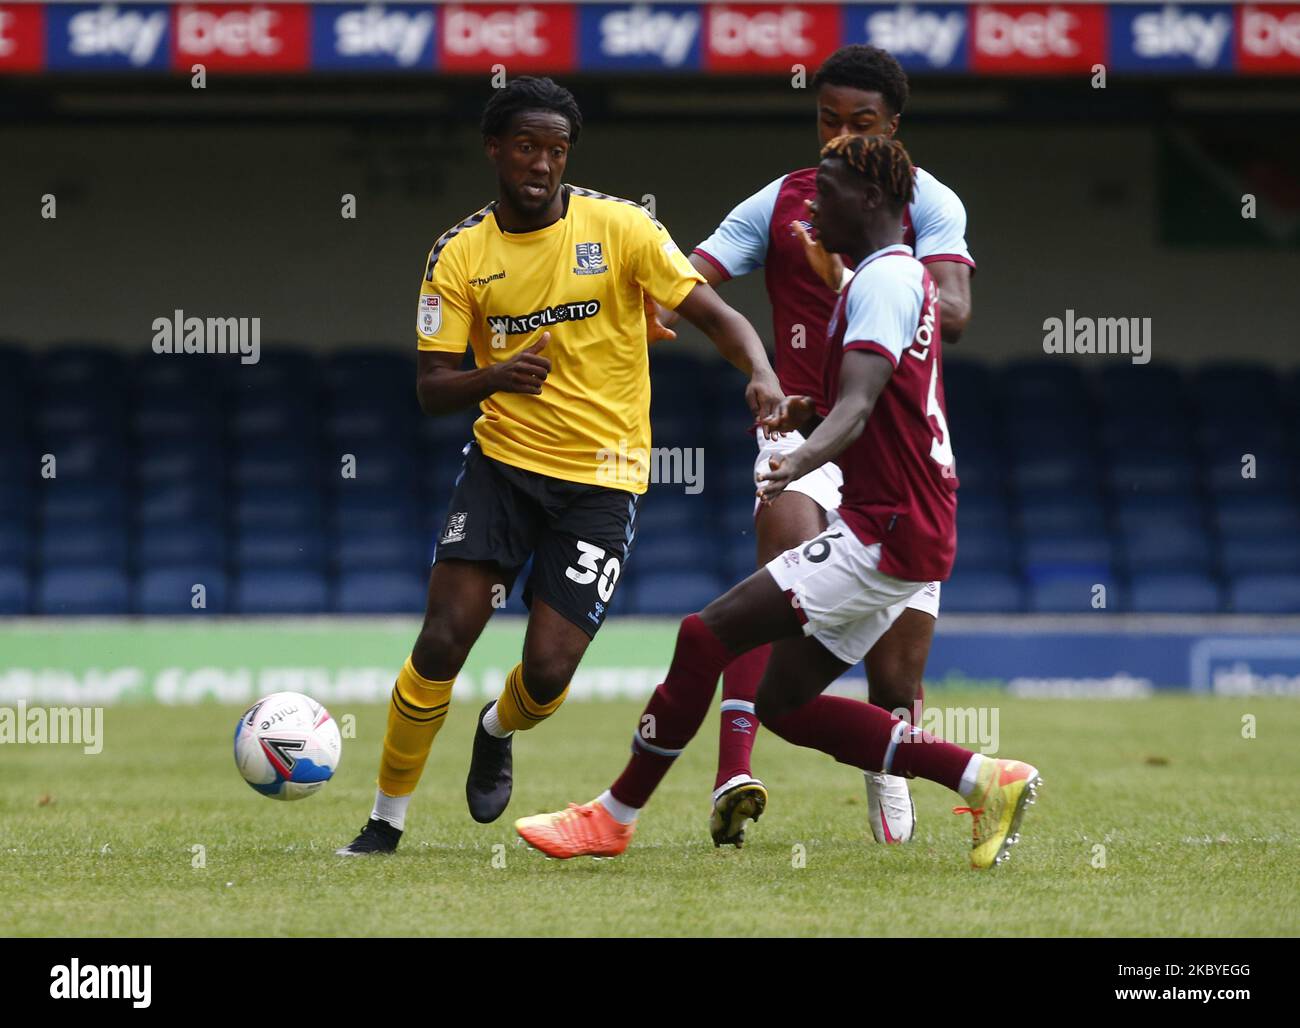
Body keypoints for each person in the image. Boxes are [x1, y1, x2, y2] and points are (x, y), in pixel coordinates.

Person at [516, 135, 1039, 871]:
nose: (808, 207)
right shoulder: (892, 276)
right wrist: (802, 410)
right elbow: (869, 396)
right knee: (784, 703)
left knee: (705, 636)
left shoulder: (884, 283)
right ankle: (985, 778)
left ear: (867, 200)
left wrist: (801, 456)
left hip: (884, 529)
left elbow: (856, 409)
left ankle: (613, 816)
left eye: (823, 193)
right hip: (905, 524)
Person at [337, 76, 782, 856]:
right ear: (494, 151)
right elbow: (432, 388)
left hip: (604, 479)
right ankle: (384, 820)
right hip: (503, 466)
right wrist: (495, 376)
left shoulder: (622, 228)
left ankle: (496, 726)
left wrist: (760, 369)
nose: (541, 163)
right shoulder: (459, 252)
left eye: (556, 149)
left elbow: (715, 312)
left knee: (546, 672)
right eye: (526, 147)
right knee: (443, 639)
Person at [650, 44, 975, 847]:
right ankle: (734, 773)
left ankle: (888, 767)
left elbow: (958, 314)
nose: (837, 137)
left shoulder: (926, 206)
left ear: (892, 127)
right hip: (801, 437)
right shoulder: (785, 201)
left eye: (858, 123)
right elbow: (684, 277)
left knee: (895, 677)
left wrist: (871, 272)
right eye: (826, 119)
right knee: (766, 586)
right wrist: (654, 315)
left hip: (890, 456)